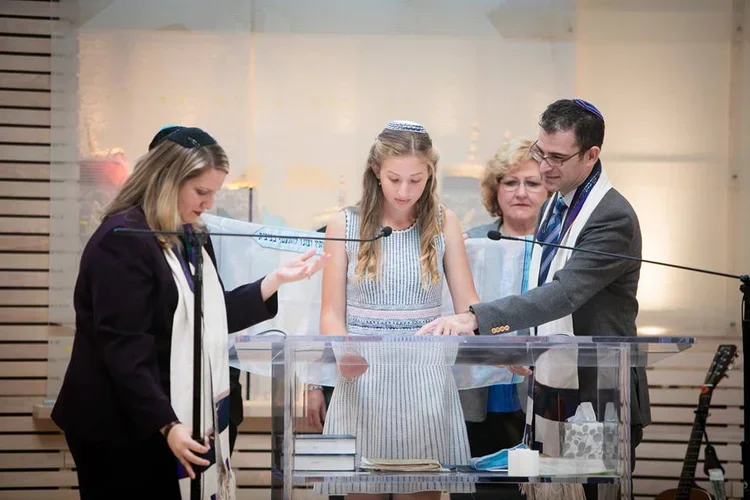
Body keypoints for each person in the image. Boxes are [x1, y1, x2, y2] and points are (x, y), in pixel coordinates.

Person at [51, 126, 329, 499]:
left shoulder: (189, 235)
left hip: (166, 417)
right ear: (167, 180)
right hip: (119, 425)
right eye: (201, 192)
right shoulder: (123, 240)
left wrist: (275, 280)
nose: (209, 204)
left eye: (213, 193)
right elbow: (124, 349)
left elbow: (208, 316)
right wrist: (167, 424)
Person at [418, 100, 649, 492]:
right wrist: (521, 347)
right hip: (554, 385)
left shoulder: (612, 216)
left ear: (592, 155)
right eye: (542, 152)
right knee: (547, 490)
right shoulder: (556, 205)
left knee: (588, 492)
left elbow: (563, 294)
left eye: (558, 157)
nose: (544, 167)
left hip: (600, 389)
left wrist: (477, 318)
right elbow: (540, 287)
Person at [315, 120, 478, 499]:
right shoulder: (344, 223)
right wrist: (345, 352)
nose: (405, 191)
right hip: (363, 382)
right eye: (394, 179)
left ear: (430, 175)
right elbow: (330, 311)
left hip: (425, 384)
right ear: (376, 172)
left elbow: (470, 305)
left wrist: (491, 329)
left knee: (419, 491)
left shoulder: (444, 222)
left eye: (416, 180)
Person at [453, 139, 549, 500]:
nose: (520, 192)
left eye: (532, 182)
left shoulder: (561, 247)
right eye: (510, 182)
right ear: (496, 190)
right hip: (478, 393)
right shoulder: (470, 241)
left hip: (540, 393)